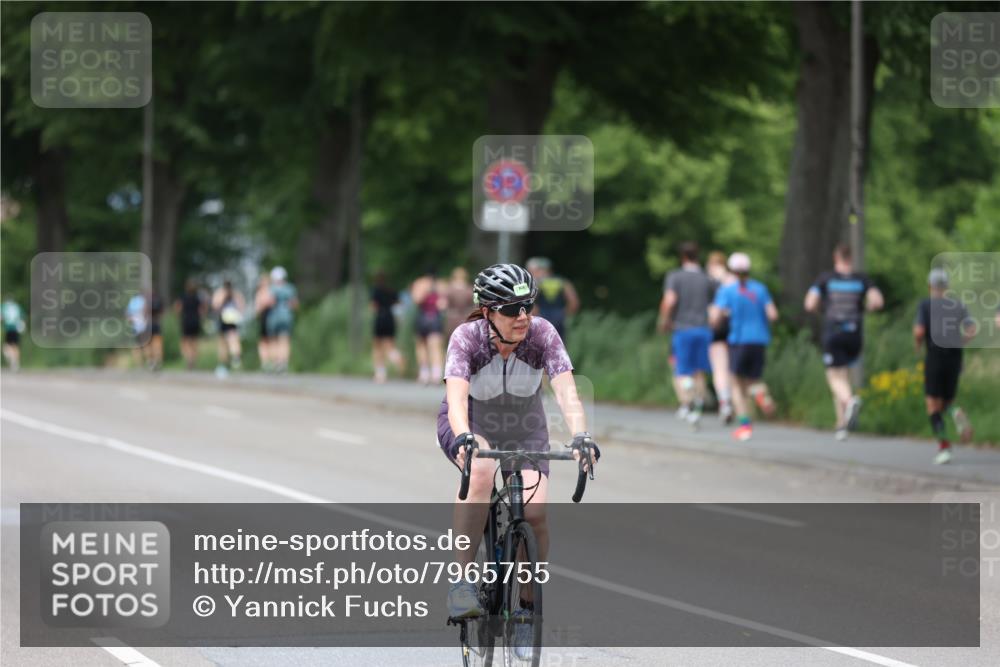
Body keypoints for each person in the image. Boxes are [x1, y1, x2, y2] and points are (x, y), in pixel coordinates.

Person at [438, 263, 599, 660]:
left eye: (528, 306)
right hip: (472, 419)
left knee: (535, 510)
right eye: (512, 309)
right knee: (480, 469)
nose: (523, 316)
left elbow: (567, 394)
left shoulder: (542, 334)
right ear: (488, 311)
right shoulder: (467, 338)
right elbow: (457, 400)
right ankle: (461, 582)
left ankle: (526, 609)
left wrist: (581, 435)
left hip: (524, 423)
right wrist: (463, 438)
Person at [804, 244, 885, 441]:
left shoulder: (826, 279)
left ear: (835, 257)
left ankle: (849, 403)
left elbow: (809, 303)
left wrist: (821, 311)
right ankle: (842, 425)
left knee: (834, 377)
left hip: (834, 332)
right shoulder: (862, 279)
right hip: (855, 334)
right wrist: (866, 308)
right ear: (851, 258)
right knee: (843, 377)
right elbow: (878, 301)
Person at [709, 252, 778, 441]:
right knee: (753, 379)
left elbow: (715, 316)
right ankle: (763, 397)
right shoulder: (761, 289)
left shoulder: (727, 290)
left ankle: (745, 427)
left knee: (735, 384)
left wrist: (718, 321)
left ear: (731, 270)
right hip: (759, 340)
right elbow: (773, 315)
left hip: (738, 340)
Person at [914, 268, 977, 465]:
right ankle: (956, 412)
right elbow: (972, 329)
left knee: (932, 404)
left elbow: (919, 331)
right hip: (955, 358)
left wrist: (917, 346)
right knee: (947, 402)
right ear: (947, 286)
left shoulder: (925, 305)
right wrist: (960, 342)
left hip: (935, 356)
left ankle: (944, 447)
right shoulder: (958, 305)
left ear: (930, 286)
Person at [657, 242, 715, 428]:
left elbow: (670, 300)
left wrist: (664, 321)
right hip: (704, 329)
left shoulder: (675, 276)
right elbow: (714, 307)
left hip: (682, 329)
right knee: (699, 371)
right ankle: (697, 406)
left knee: (682, 370)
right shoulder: (707, 279)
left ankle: (687, 402)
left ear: (682, 257)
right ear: (698, 256)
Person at [705, 251, 736, 423]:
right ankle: (738, 402)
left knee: (719, 369)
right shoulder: (734, 280)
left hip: (717, 328)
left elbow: (710, 309)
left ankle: (725, 404)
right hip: (735, 328)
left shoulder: (708, 280)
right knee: (733, 369)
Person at [526, 257, 579, 342]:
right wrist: (563, 314)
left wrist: (536, 314)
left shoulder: (537, 283)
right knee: (559, 346)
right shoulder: (562, 282)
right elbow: (574, 302)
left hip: (542, 318)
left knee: (540, 345)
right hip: (559, 318)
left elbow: (529, 301)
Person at [410, 267, 445, 385]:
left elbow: (416, 299)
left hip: (427, 316)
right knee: (427, 345)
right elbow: (443, 305)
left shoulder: (421, 283)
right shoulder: (441, 284)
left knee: (429, 345)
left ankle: (432, 373)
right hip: (431, 317)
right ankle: (430, 373)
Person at [370, 271, 405, 383]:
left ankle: (380, 373)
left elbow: (373, 307)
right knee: (390, 346)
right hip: (390, 319)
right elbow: (399, 306)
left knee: (377, 347)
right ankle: (397, 357)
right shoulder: (392, 291)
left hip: (380, 319)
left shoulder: (376, 290)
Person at [266, 266, 298, 373]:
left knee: (274, 341)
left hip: (274, 317)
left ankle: (276, 363)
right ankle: (283, 363)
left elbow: (270, 302)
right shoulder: (290, 288)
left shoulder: (272, 288)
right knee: (284, 341)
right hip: (286, 316)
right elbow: (294, 304)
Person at [212, 280, 245, 378]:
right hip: (230, 320)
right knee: (232, 340)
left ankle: (229, 361)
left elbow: (215, 306)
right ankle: (233, 359)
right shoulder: (236, 294)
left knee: (225, 342)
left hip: (226, 319)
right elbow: (242, 306)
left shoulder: (221, 293)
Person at [175, 279, 205, 370]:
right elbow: (202, 311)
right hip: (195, 321)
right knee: (194, 342)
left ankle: (189, 360)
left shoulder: (183, 297)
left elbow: (177, 309)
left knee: (185, 342)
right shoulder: (197, 298)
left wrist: (178, 317)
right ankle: (193, 361)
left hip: (186, 321)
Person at [442, 266, 474, 341]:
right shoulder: (469, 289)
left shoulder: (449, 289)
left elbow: (442, 305)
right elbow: (475, 306)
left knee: (453, 344)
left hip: (452, 319)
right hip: (466, 319)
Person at [253, 274, 274, 372]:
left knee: (266, 342)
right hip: (269, 318)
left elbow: (258, 308)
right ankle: (269, 363)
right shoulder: (272, 291)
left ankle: (267, 363)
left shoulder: (262, 293)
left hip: (266, 318)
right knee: (269, 341)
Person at [1, 295, 25, 372]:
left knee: (7, 346)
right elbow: (22, 317)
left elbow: (1, 317)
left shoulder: (4, 307)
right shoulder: (17, 307)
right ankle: (15, 363)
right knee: (15, 346)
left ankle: (12, 360)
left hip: (9, 328)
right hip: (16, 329)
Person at [125, 292, 148, 367]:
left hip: (135, 326)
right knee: (145, 345)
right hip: (143, 325)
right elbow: (146, 311)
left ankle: (139, 364)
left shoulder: (132, 301)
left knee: (136, 346)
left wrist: (130, 321)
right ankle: (147, 362)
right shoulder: (142, 300)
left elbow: (127, 314)